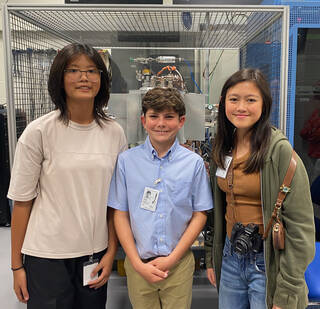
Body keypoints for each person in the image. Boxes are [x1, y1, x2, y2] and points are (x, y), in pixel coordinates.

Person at [8, 43, 127, 309]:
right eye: (74, 70)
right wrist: (17, 265)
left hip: (94, 253)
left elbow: (114, 201)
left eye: (92, 71)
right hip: (47, 256)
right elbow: (22, 202)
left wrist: (110, 252)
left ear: (101, 79)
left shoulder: (114, 132)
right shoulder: (38, 132)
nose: (84, 77)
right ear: (60, 78)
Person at [205, 68, 315, 309]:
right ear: (223, 103)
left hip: (267, 261)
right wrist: (211, 257)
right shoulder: (222, 147)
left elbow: (302, 228)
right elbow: (216, 210)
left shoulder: (279, 152)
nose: (241, 107)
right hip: (231, 256)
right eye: (234, 99)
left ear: (264, 104)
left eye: (251, 100)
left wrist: (287, 291)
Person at [108, 87, 213, 309]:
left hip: (178, 264)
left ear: (181, 120)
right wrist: (136, 263)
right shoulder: (127, 162)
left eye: (169, 117)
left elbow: (200, 214)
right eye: (154, 116)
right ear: (143, 121)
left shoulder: (193, 163)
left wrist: (172, 259)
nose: (161, 123)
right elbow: (120, 213)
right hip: (138, 265)